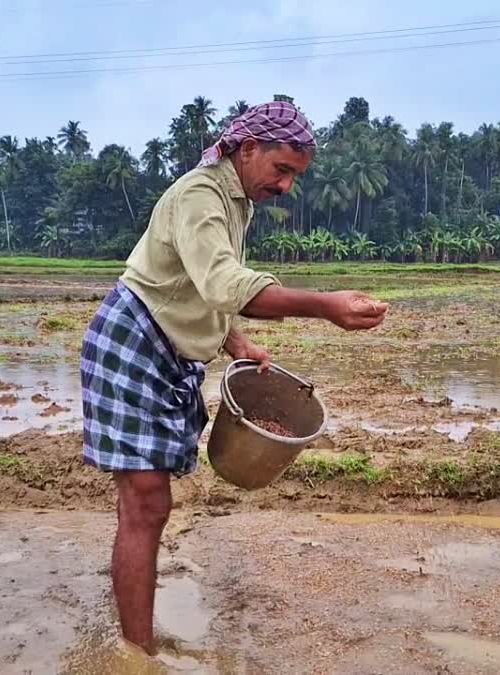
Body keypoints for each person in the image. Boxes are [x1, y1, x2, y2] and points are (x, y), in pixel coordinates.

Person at [80, 100, 390, 653]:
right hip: (133, 345)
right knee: (146, 503)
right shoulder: (201, 196)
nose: (287, 186)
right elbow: (225, 284)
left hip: (166, 352)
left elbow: (199, 283)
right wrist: (324, 306)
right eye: (282, 170)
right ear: (248, 149)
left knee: (146, 502)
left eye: (296, 175)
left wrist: (233, 339)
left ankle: (134, 637)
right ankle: (135, 652)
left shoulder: (234, 199)